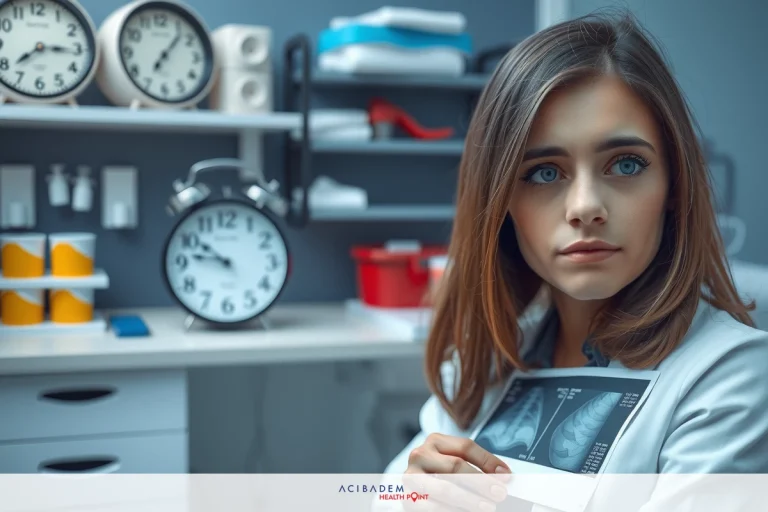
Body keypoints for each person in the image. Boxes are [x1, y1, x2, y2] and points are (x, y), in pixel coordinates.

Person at [379, 9, 768, 512]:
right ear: (501, 204)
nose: (585, 206)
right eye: (544, 172)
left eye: (626, 164)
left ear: (674, 185)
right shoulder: (484, 366)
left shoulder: (729, 376)